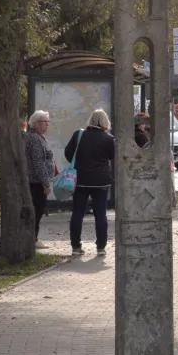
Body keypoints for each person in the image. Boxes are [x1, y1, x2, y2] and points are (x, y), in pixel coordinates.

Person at [64, 108, 115, 256]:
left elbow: (68, 152)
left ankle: (76, 246)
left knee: (78, 213)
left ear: (91, 120)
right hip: (101, 182)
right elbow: (112, 156)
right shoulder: (109, 138)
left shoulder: (78, 135)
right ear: (105, 121)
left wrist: (79, 164)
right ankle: (101, 247)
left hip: (80, 180)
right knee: (100, 214)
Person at [25, 110, 56, 248]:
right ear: (36, 124)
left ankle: (32, 239)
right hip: (36, 183)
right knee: (36, 212)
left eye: (48, 122)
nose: (47, 124)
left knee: (36, 212)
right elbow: (39, 164)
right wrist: (46, 184)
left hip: (35, 182)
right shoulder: (35, 139)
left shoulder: (36, 137)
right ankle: (33, 240)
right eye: (45, 122)